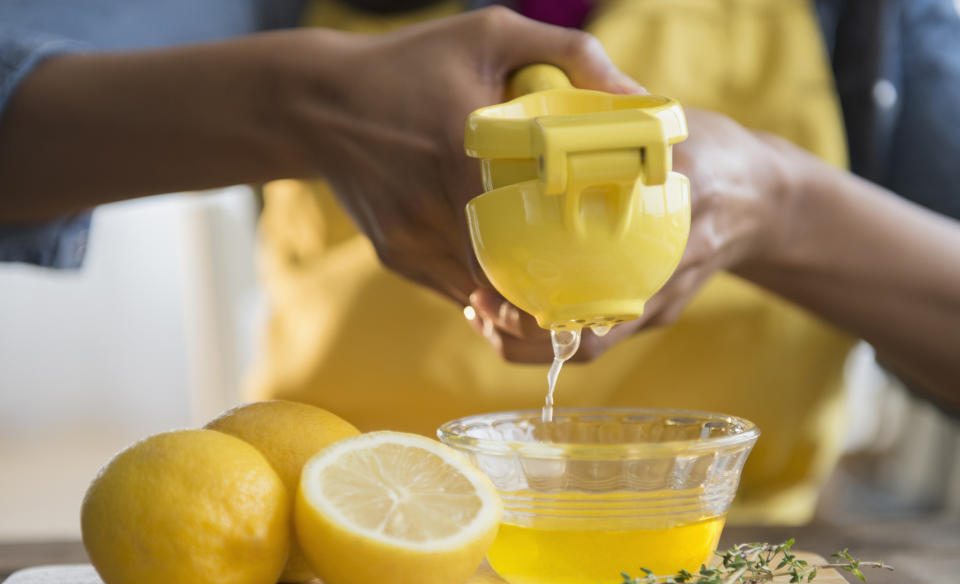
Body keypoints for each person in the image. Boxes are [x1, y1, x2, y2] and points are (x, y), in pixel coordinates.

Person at [1, 0, 958, 524]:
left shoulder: (873, 23)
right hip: (341, 546)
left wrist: (784, 202)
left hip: (725, 574)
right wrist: (299, 103)